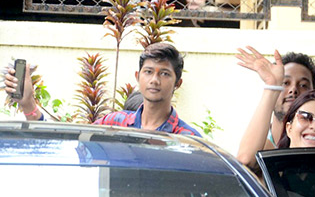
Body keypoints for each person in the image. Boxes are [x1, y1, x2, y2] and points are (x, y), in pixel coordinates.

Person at [3, 42, 201, 136]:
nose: (155, 80)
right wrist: (29, 104)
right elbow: (70, 143)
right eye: (148, 72)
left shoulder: (186, 138)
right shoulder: (114, 123)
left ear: (178, 83)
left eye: (164, 74)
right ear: (137, 77)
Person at [236, 46, 315, 170]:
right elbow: (245, 161)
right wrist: (272, 85)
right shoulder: (259, 141)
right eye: (285, 83)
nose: (293, 90)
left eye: (303, 85)